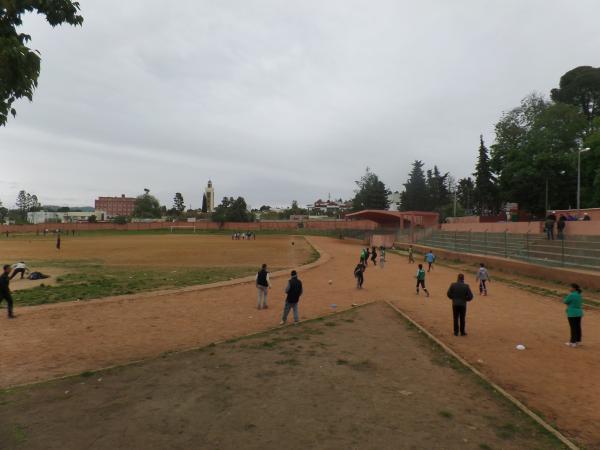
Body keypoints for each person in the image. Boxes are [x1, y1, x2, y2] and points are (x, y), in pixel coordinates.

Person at [564, 283, 583, 347]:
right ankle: (578, 341)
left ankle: (572, 342)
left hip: (572, 313)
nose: (569, 288)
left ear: (574, 288)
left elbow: (565, 301)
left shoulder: (571, 295)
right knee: (578, 327)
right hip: (579, 313)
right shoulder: (579, 294)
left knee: (573, 328)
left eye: (570, 287)